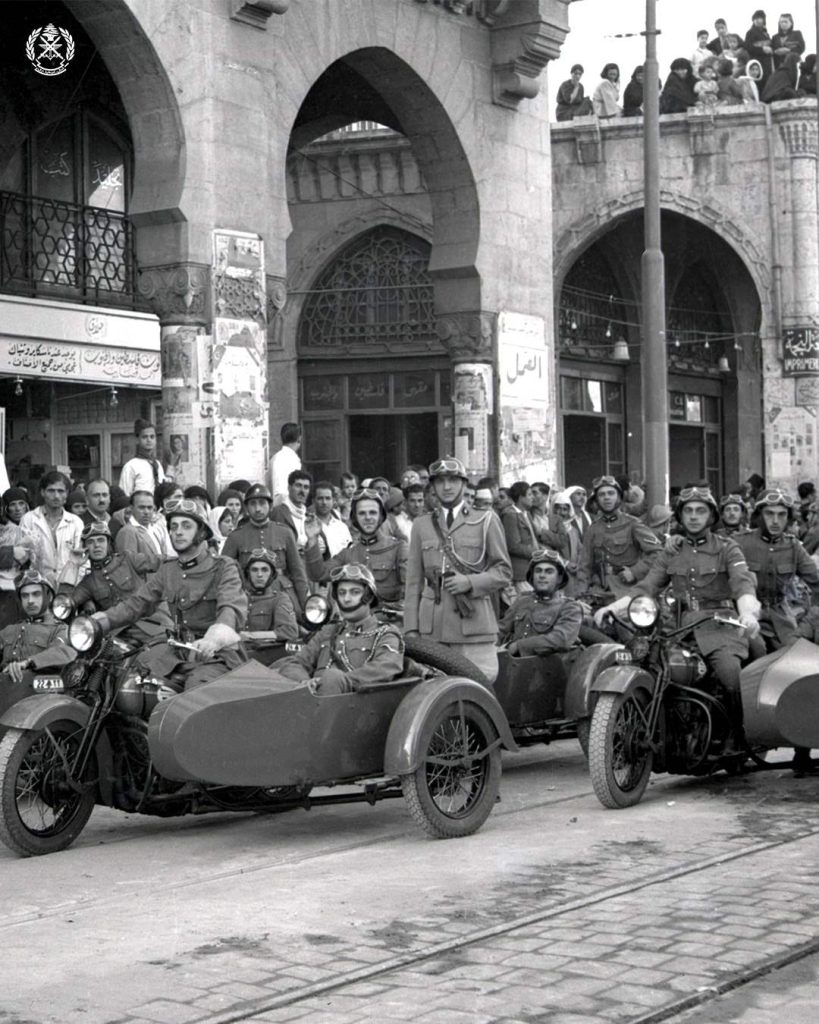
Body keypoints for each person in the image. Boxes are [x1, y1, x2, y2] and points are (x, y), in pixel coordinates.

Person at [597, 486, 760, 742]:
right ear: (680, 516)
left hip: (722, 625)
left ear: (711, 516)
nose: (694, 516)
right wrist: (612, 608)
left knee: (730, 673)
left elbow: (743, 584)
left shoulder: (728, 548)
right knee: (655, 666)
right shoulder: (671, 551)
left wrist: (748, 613)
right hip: (680, 630)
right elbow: (646, 587)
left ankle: (738, 734)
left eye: (701, 511)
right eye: (688, 511)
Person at [92, 498, 248, 691]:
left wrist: (213, 639)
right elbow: (138, 603)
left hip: (218, 655)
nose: (178, 532)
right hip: (179, 651)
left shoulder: (223, 567)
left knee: (195, 690)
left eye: (186, 526)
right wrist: (101, 621)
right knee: (129, 680)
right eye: (173, 527)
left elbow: (230, 608)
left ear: (201, 532)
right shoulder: (169, 569)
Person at [404, 456, 512, 683]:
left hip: (472, 626)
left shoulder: (485, 520)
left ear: (464, 484)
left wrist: (470, 583)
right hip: (432, 628)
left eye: (453, 480)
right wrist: (412, 629)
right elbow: (413, 582)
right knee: (434, 693)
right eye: (440, 481)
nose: (447, 487)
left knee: (479, 687)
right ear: (432, 487)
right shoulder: (421, 525)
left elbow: (503, 572)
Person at [275, 564, 404, 695]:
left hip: (353, 706)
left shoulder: (385, 633)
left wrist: (339, 680)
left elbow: (387, 667)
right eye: (342, 593)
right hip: (311, 704)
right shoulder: (329, 631)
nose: (346, 599)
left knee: (332, 677)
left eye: (355, 592)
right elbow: (295, 662)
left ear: (369, 597)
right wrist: (305, 682)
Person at [60, 522, 173, 642]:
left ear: (109, 543)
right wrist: (73, 564)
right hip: (121, 635)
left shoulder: (128, 559)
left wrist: (188, 560)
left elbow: (162, 561)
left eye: (101, 540)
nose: (96, 545)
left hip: (152, 625)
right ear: (84, 547)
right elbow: (62, 606)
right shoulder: (89, 581)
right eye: (90, 542)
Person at [736, 488, 819, 650]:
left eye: (781, 515)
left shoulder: (793, 546)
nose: (775, 521)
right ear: (759, 516)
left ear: (788, 518)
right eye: (769, 514)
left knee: (793, 654)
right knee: (756, 651)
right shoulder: (740, 542)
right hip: (747, 615)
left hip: (780, 615)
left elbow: (816, 579)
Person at [305, 489, 407, 605]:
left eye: (373, 512)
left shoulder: (398, 548)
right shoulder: (347, 554)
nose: (368, 517)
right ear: (355, 518)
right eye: (362, 513)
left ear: (381, 516)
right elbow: (318, 574)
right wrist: (312, 539)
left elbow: (410, 593)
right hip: (354, 619)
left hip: (389, 619)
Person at [221, 482, 310, 614]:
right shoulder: (236, 536)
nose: (258, 509)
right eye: (253, 504)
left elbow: (297, 571)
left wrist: (306, 605)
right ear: (246, 508)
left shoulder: (284, 532)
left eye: (262, 503)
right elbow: (224, 573)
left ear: (271, 506)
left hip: (282, 592)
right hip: (248, 596)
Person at [575, 475, 661, 598]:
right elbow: (584, 567)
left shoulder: (633, 524)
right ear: (596, 500)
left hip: (629, 592)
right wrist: (581, 595)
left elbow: (658, 553)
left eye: (611, 493)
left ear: (619, 497)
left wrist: (634, 572)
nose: (607, 498)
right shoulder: (592, 529)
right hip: (599, 592)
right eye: (602, 495)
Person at [498, 548, 583, 657]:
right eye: (538, 571)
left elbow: (561, 639)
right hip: (515, 666)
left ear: (559, 578)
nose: (542, 575)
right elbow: (501, 630)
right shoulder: (521, 601)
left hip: (551, 670)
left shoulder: (570, 608)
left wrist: (519, 646)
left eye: (549, 571)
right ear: (532, 576)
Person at [0, 570, 76, 686]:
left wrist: (28, 663)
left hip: (39, 694)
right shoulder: (9, 630)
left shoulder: (60, 629)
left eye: (36, 594)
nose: (30, 601)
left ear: (49, 597)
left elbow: (63, 652)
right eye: (25, 596)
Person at [20, 471, 85, 586]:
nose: (56, 496)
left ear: (67, 493)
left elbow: (83, 560)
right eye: (51, 491)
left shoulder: (76, 522)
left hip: (69, 586)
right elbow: (22, 557)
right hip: (38, 585)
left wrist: (72, 585)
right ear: (43, 492)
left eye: (60, 491)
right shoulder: (29, 519)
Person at [240, 549, 298, 640]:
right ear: (248, 574)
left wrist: (250, 636)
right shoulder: (238, 598)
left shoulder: (279, 599)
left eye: (264, 570)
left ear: (272, 574)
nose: (259, 575)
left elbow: (289, 631)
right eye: (254, 570)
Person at [500, 482, 539, 597]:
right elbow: (513, 546)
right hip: (520, 572)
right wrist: (536, 553)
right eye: (530, 494)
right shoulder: (510, 515)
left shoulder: (526, 514)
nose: (533, 497)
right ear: (521, 498)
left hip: (530, 568)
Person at [115, 490, 165, 574]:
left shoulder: (153, 529)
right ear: (131, 508)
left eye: (149, 507)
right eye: (141, 507)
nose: (146, 512)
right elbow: (129, 565)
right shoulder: (127, 531)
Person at [118, 418, 165, 497]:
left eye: (152, 437)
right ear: (137, 440)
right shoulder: (131, 466)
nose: (149, 440)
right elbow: (125, 495)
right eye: (144, 437)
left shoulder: (157, 464)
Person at [270, 469, 312, 552]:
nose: (302, 491)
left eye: (306, 487)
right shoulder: (278, 513)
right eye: (298, 486)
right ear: (289, 488)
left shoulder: (309, 515)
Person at [311, 480, 352, 558]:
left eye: (328, 498)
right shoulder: (306, 526)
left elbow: (350, 553)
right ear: (313, 501)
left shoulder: (342, 527)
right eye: (320, 498)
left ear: (333, 500)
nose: (324, 502)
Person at [269, 422, 301, 506]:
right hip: (284, 508)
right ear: (299, 438)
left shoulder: (276, 458)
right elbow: (280, 493)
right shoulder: (285, 459)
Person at [745, 10, 774, 83]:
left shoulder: (766, 33)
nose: (757, 20)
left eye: (759, 18)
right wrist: (762, 49)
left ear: (764, 20)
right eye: (755, 19)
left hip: (767, 63)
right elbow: (748, 47)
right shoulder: (750, 32)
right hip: (757, 63)